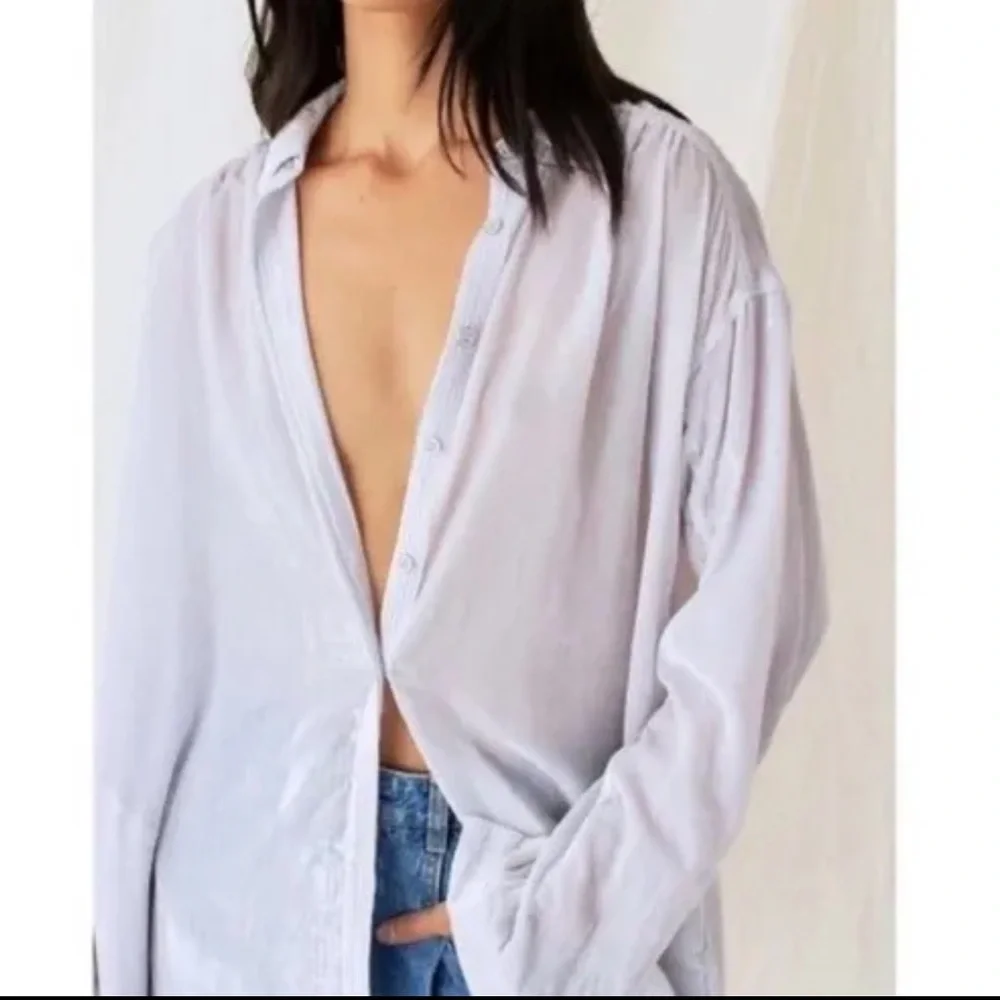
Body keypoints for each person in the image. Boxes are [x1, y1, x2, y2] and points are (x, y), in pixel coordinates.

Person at [94, 0, 828, 995]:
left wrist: (566, 914)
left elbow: (758, 619)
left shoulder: (665, 207)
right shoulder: (209, 249)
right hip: (242, 930)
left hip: (526, 923)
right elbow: (150, 683)